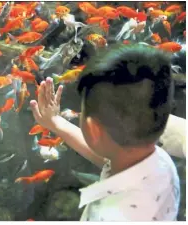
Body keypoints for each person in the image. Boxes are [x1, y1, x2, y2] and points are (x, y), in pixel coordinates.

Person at [29, 44, 180, 221]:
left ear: (93, 129)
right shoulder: (160, 162)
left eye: (83, 109)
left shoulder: (108, 217)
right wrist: (56, 122)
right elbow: (108, 156)